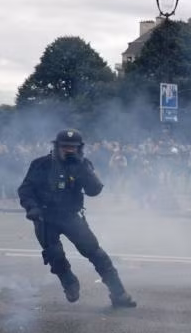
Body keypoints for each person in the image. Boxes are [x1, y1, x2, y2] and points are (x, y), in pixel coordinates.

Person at [17, 129, 136, 307]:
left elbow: (94, 190)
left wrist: (81, 168)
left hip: (70, 216)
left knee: (96, 253)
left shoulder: (84, 165)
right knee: (54, 255)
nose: (69, 150)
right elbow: (25, 190)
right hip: (44, 217)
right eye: (65, 146)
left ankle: (119, 294)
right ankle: (69, 282)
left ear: (79, 148)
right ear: (56, 147)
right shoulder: (40, 164)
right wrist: (31, 207)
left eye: (73, 147)